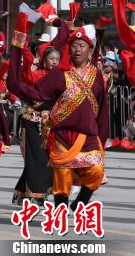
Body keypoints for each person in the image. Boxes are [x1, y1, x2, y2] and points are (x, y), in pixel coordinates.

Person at [7, 11, 108, 210]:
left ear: (90, 50)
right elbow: (33, 92)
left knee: (96, 171)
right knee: (62, 179)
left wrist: (102, 139)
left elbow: (102, 109)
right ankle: (60, 213)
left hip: (87, 136)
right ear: (69, 50)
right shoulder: (58, 75)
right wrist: (15, 74)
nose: (78, 49)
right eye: (75, 46)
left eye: (83, 46)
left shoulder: (96, 76)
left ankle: (81, 202)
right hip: (61, 135)